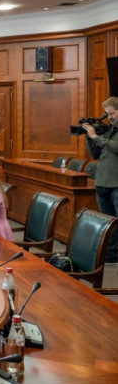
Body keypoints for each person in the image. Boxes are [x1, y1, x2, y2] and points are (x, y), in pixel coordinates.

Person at [84, 96, 118, 263]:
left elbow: (115, 148)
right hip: (103, 182)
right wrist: (89, 138)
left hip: (116, 184)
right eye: (107, 114)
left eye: (112, 113)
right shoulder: (109, 130)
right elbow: (95, 154)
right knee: (107, 222)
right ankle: (110, 254)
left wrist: (96, 137)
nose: (109, 117)